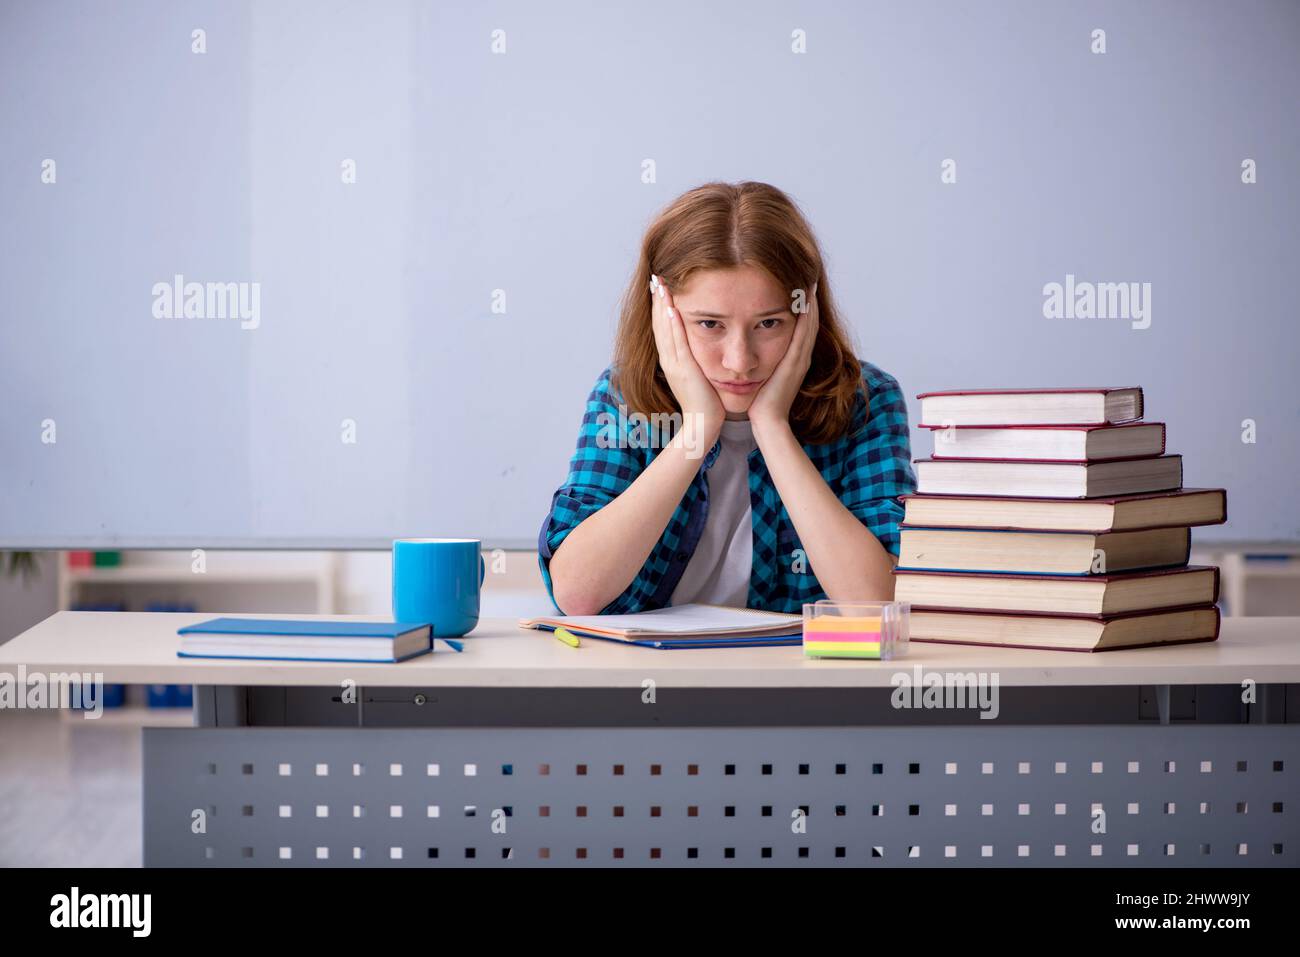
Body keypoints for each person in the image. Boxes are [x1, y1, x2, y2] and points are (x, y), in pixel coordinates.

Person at [537, 181, 916, 616]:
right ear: (664, 313)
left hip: (801, 680)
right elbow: (578, 594)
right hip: (650, 679)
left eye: (769, 324)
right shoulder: (623, 398)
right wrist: (699, 428)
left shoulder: (867, 402)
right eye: (710, 324)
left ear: (806, 311)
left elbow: (875, 605)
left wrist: (772, 427)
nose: (740, 361)